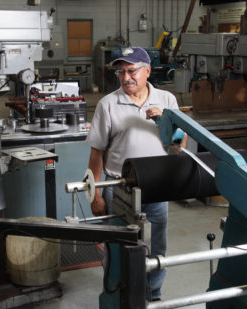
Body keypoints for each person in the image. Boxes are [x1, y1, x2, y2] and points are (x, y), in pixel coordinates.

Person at [85, 46, 180, 301]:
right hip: (119, 187)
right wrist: (95, 194)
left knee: (157, 245)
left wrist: (166, 120)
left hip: (157, 186)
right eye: (121, 71)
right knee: (117, 246)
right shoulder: (107, 104)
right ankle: (116, 293)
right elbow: (97, 154)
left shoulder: (167, 101)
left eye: (132, 71)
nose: (126, 77)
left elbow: (178, 144)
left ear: (147, 71)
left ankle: (153, 295)